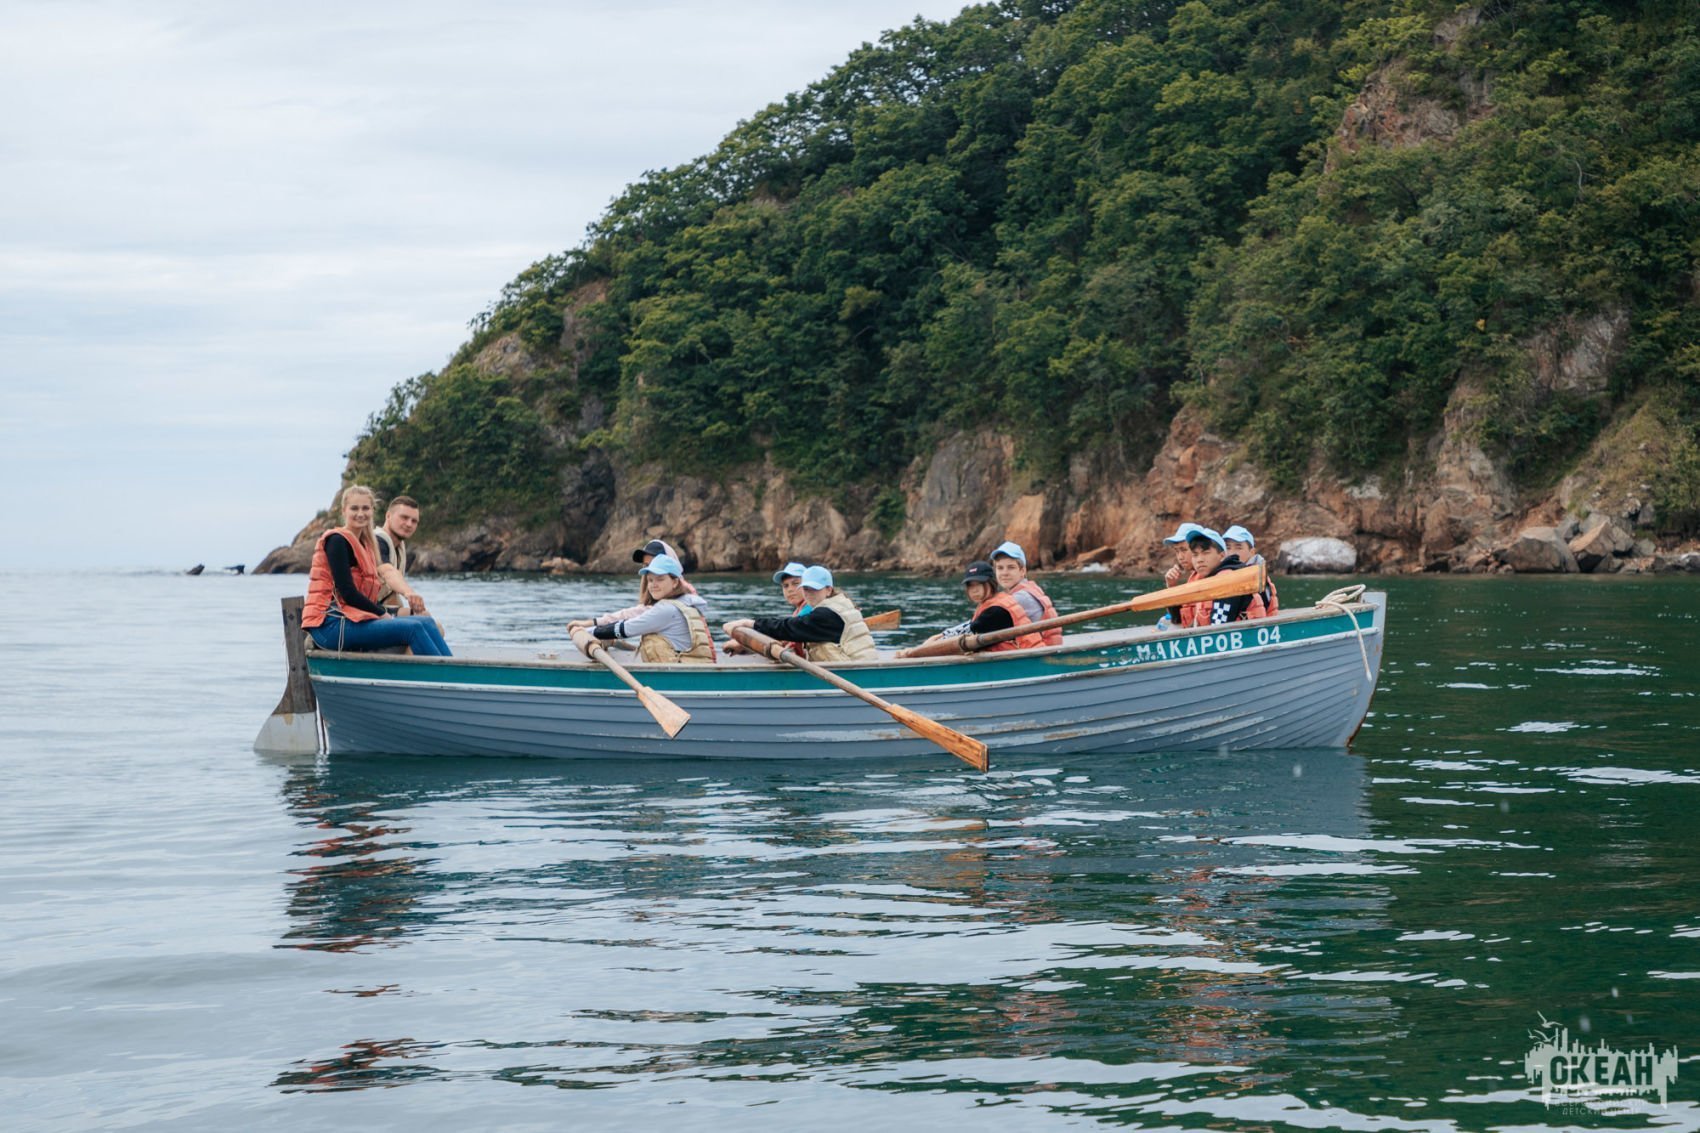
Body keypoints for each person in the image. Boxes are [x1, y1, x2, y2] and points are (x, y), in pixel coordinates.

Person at [301, 485, 453, 655]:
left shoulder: (367, 545)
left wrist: (389, 612)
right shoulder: (337, 541)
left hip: (353, 617)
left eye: (365, 508)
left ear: (372, 511)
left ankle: (454, 669)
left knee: (427, 622)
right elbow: (348, 593)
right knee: (413, 628)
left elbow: (367, 597)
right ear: (344, 511)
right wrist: (382, 614)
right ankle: (445, 672)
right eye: (354, 508)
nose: (360, 513)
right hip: (330, 625)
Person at [568, 554, 715, 663]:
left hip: (680, 676)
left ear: (675, 582)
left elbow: (626, 629)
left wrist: (586, 632)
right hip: (694, 665)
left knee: (651, 639)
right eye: (650, 580)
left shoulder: (666, 609)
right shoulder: (687, 601)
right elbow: (637, 614)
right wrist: (594, 625)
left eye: (660, 579)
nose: (653, 585)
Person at [723, 565, 877, 662]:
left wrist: (750, 624)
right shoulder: (838, 604)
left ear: (828, 589)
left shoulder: (827, 614)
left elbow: (788, 628)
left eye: (815, 589)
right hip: (857, 665)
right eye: (806, 589)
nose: (809, 593)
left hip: (854, 673)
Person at [896, 561, 1044, 657]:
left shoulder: (996, 612)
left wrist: (913, 653)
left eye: (979, 584)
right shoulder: (997, 601)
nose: (974, 590)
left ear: (991, 583)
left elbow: (965, 636)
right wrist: (941, 635)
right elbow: (970, 626)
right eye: (970, 585)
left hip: (1028, 659)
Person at [599, 538, 709, 627]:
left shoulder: (684, 591)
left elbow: (643, 614)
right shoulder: (657, 588)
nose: (651, 569)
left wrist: (597, 622)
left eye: (655, 563)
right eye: (646, 565)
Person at [1173, 528, 1266, 627]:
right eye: (1195, 555)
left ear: (1222, 555)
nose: (1199, 560)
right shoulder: (1211, 578)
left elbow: (1219, 627)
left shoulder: (1227, 580)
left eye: (1206, 553)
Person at [723, 561, 809, 656]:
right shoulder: (799, 611)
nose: (790, 589)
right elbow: (784, 640)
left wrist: (743, 642)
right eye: (785, 586)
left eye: (796, 583)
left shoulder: (809, 609)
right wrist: (745, 647)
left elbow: (783, 634)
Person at [989, 541, 1062, 646]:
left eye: (1011, 567)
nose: (1004, 573)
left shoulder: (1021, 597)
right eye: (1000, 568)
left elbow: (989, 625)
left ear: (1022, 571)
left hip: (1043, 652)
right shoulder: (1030, 588)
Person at [372, 494, 427, 616]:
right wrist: (409, 593)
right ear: (388, 516)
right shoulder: (377, 540)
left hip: (379, 608)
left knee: (424, 617)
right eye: (404, 517)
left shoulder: (399, 548)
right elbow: (388, 572)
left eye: (414, 521)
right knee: (424, 619)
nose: (409, 524)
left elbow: (391, 596)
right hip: (359, 611)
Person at [1223, 524, 1279, 615]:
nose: (1232, 553)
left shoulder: (1258, 577)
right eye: (1228, 548)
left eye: (1238, 548)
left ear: (1252, 552)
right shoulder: (1222, 573)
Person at [1161, 522, 1204, 588]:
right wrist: (1171, 585)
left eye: (1184, 550)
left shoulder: (1204, 575)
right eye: (1177, 551)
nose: (1180, 557)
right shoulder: (1194, 576)